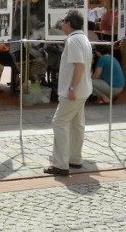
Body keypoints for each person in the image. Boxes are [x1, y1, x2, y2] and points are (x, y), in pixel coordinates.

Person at [44, 9, 92, 176]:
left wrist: (71, 88)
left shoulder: (74, 41)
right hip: (83, 89)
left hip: (75, 91)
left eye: (63, 21)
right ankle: (74, 158)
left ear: (70, 24)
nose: (62, 24)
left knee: (59, 122)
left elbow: (79, 66)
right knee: (77, 124)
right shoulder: (83, 38)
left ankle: (61, 163)